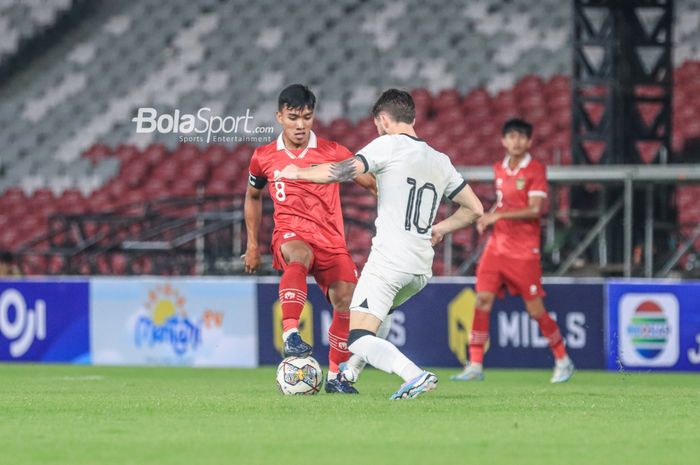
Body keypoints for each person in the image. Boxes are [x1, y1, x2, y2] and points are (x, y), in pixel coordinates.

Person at [277, 89, 484, 399]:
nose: (377, 130)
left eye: (377, 125)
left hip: (389, 263)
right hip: (419, 269)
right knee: (380, 317)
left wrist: (298, 172)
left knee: (357, 338)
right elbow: (475, 209)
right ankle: (347, 375)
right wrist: (440, 227)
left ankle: (414, 374)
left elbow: (341, 170)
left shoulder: (387, 145)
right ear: (412, 118)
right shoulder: (440, 160)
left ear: (384, 120)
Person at [244, 84, 376, 394]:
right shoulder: (263, 157)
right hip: (291, 232)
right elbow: (252, 196)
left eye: (306, 117)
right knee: (298, 255)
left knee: (347, 298)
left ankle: (336, 378)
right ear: (280, 117)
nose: (301, 125)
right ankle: (291, 333)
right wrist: (252, 244)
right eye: (293, 118)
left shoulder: (334, 152)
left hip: (331, 239)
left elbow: (371, 184)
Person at [451, 118, 575, 384]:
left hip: (523, 251)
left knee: (535, 310)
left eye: (521, 137)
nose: (516, 141)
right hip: (496, 248)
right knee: (482, 300)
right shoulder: (499, 169)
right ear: (503, 141)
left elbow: (535, 209)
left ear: (529, 142)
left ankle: (563, 359)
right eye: (511, 136)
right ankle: (474, 364)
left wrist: (499, 216)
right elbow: (502, 202)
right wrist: (488, 216)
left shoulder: (536, 169)